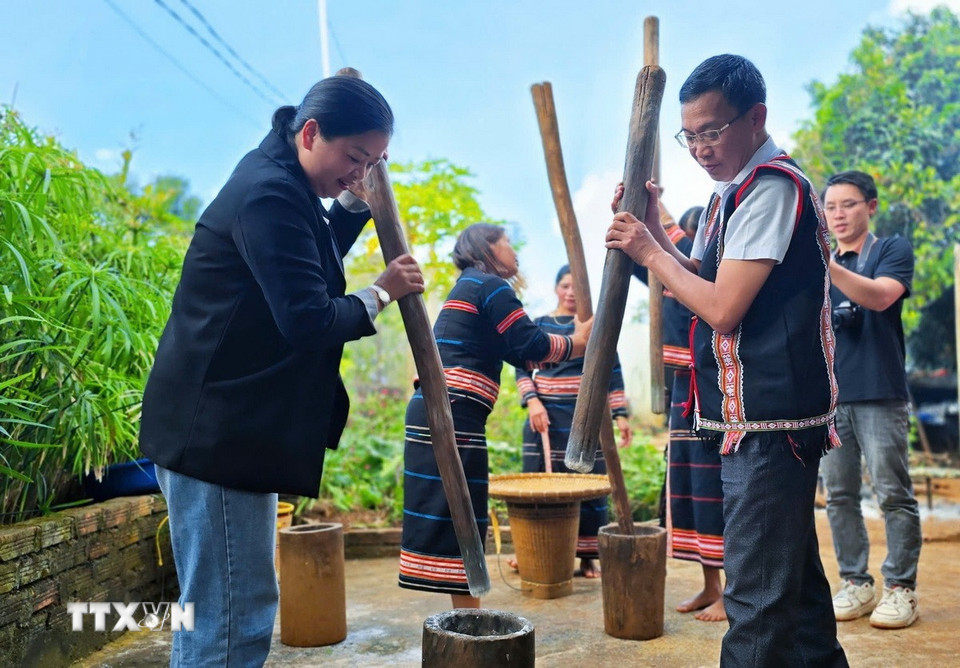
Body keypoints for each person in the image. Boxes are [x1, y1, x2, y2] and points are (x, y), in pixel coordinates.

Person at [139, 76, 424, 666]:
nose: (360, 174)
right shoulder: (268, 192)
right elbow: (307, 317)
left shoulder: (280, 178)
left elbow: (304, 254)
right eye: (354, 159)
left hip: (231, 428)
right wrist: (381, 292)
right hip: (215, 434)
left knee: (231, 603)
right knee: (228, 614)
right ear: (312, 132)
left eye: (372, 163)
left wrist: (351, 204)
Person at [606, 54, 847, 666]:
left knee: (758, 602)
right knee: (796, 590)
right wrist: (657, 232)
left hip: (771, 422)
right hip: (759, 419)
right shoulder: (730, 194)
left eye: (712, 131)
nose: (701, 148)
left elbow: (721, 308)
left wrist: (647, 251)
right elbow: (701, 275)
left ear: (756, 116)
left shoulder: (770, 189)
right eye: (690, 135)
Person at [398, 224, 591, 609]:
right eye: (507, 243)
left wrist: (566, 343)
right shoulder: (489, 285)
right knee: (459, 514)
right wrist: (579, 341)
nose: (514, 251)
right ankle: (468, 622)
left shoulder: (474, 286)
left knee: (457, 512)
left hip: (444, 411)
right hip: (450, 412)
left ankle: (466, 617)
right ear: (487, 248)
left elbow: (520, 352)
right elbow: (531, 343)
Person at [819, 170, 921, 629]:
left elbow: (880, 297)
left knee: (893, 495)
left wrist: (827, 266)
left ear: (871, 206)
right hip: (830, 398)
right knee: (839, 495)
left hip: (881, 393)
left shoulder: (890, 250)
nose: (838, 215)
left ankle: (901, 589)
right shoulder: (822, 263)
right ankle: (856, 582)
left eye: (849, 204)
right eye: (831, 207)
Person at [632, 203, 727, 622]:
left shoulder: (714, 268)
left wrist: (653, 213)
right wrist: (630, 211)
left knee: (720, 491)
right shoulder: (673, 273)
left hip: (714, 386)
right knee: (691, 488)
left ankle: (733, 591)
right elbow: (647, 260)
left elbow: (675, 253)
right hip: (683, 390)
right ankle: (711, 586)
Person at [514, 264, 632, 579]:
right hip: (546, 419)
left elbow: (613, 371)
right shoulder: (539, 324)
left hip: (587, 418)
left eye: (575, 288)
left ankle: (587, 557)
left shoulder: (597, 326)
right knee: (539, 485)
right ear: (556, 288)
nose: (569, 293)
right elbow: (521, 368)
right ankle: (534, 549)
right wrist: (533, 402)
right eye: (565, 286)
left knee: (588, 484)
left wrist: (620, 415)